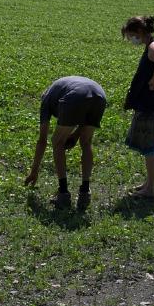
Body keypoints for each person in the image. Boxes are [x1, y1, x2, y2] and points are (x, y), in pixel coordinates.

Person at [24, 76, 107, 210]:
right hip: (99, 94)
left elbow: (42, 141)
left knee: (57, 142)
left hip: (75, 97)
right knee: (86, 143)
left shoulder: (46, 100)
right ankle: (85, 192)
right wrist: (75, 135)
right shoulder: (60, 88)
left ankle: (63, 193)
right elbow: (84, 119)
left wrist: (34, 171)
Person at [121, 15, 154, 200]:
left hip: (149, 105)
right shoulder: (151, 45)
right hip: (151, 103)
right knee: (150, 148)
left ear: (140, 32)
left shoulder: (153, 47)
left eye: (132, 36)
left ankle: (150, 190)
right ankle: (148, 183)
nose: (131, 40)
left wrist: (152, 81)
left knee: (150, 147)